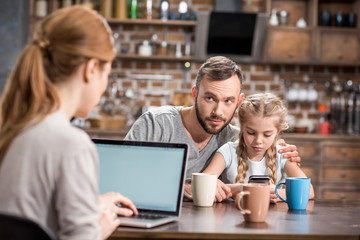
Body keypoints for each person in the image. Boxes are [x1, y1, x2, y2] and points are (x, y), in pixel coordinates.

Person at [0, 6, 137, 240]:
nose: (104, 88)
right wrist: (97, 230)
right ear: (91, 69)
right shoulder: (71, 144)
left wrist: (88, 203)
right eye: (107, 74)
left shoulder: (14, 126)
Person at [125, 56, 301, 202]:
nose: (218, 112)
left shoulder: (237, 140)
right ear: (195, 94)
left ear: (238, 102)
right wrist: (188, 189)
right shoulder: (156, 124)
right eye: (210, 98)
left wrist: (281, 152)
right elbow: (123, 180)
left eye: (228, 101)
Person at [202, 92, 314, 202]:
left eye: (267, 135)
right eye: (251, 133)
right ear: (242, 128)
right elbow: (202, 183)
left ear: (277, 133)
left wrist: (276, 193)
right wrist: (237, 190)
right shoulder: (228, 152)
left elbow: (308, 191)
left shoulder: (282, 153)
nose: (258, 141)